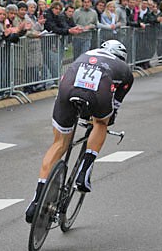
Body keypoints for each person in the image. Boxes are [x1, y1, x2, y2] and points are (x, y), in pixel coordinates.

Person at [25, 39, 134, 223]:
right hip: (99, 90)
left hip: (68, 86)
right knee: (101, 123)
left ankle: (36, 201)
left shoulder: (87, 54)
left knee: (59, 144)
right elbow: (114, 107)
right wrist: (103, 120)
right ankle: (85, 171)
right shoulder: (125, 71)